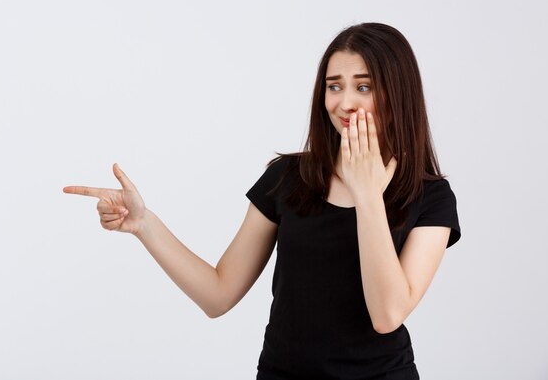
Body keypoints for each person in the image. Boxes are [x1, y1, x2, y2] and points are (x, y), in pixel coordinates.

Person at [63, 22, 461, 380]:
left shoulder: (430, 197)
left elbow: (387, 315)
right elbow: (217, 295)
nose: (344, 102)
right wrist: (144, 224)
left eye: (364, 86)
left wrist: (367, 195)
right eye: (334, 86)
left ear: (398, 93)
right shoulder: (288, 178)